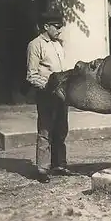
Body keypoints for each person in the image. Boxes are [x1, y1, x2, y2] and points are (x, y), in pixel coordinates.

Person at [26, 12, 74, 183]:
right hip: (46, 94)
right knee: (45, 130)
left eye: (60, 26)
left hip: (62, 94)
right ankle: (42, 169)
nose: (59, 30)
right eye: (56, 26)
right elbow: (31, 75)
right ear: (46, 27)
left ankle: (59, 165)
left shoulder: (59, 45)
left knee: (61, 130)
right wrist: (48, 87)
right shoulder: (35, 45)